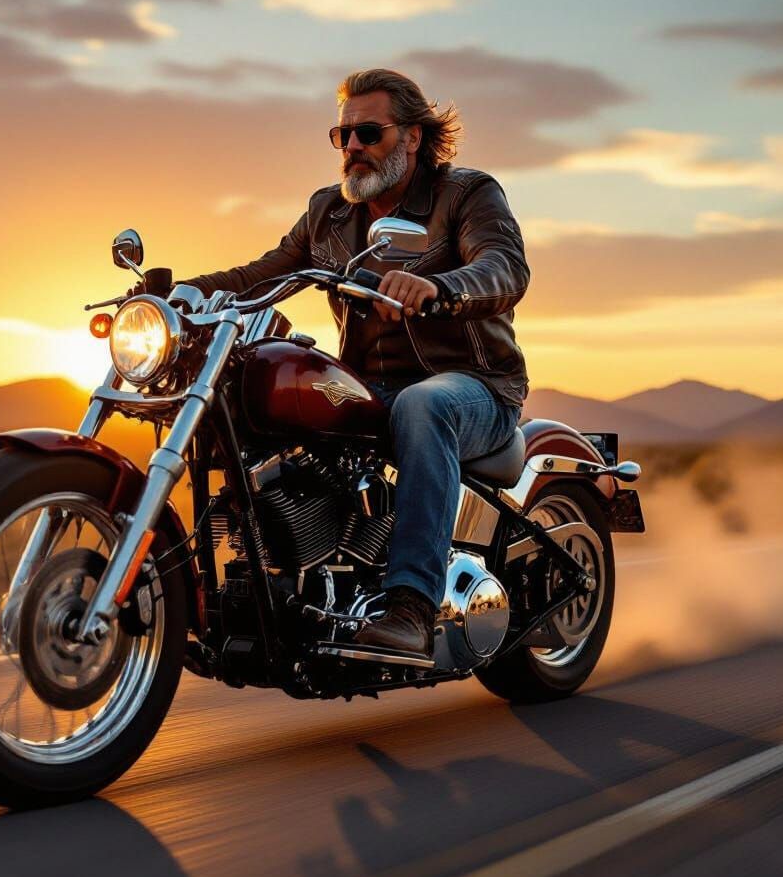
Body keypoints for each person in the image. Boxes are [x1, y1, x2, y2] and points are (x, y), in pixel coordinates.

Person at [181, 68, 529, 657]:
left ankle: (411, 606)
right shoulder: (328, 215)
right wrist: (178, 296)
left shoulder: (465, 194)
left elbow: (505, 267)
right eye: (341, 137)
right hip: (370, 388)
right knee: (247, 398)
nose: (352, 150)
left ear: (414, 137)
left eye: (369, 133)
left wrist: (439, 288)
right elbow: (260, 275)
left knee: (424, 404)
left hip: (475, 388)